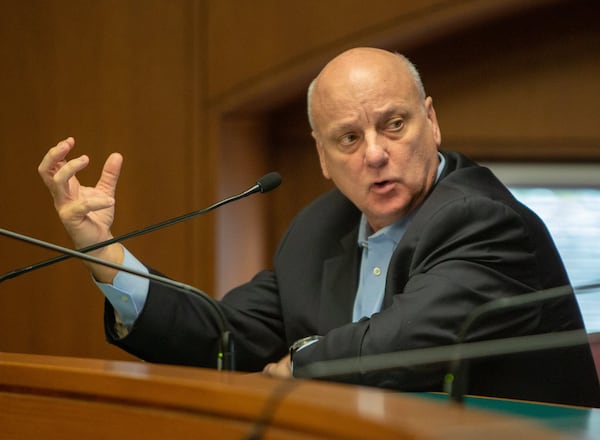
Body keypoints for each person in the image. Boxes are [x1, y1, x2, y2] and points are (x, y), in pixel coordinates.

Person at [38, 47, 599, 406]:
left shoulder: (482, 220)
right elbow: (224, 340)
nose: (375, 154)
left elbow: (403, 346)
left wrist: (297, 363)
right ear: (323, 157)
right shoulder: (319, 227)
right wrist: (104, 253)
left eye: (395, 124)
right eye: (349, 138)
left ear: (431, 121)